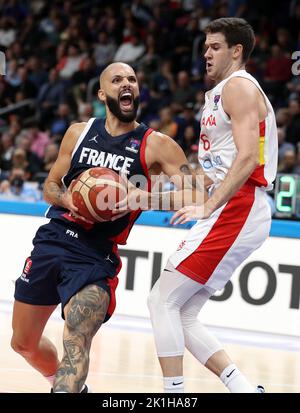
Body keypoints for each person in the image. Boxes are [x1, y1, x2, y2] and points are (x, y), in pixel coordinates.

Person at [10, 62, 208, 393]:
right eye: (117, 80)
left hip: (94, 256)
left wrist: (141, 198)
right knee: (23, 344)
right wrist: (68, 197)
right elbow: (50, 186)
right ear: (103, 93)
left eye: (132, 79)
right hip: (53, 240)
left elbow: (198, 194)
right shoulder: (79, 132)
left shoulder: (156, 144)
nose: (127, 83)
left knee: (76, 339)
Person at [147, 17, 278, 393]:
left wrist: (208, 207)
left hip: (238, 206)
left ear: (236, 51)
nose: (206, 53)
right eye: (205, 47)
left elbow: (248, 157)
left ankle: (173, 395)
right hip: (232, 205)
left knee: (161, 301)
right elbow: (211, 173)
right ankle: (245, 389)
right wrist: (147, 196)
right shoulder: (221, 92)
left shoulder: (238, 87)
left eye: (215, 47)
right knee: (182, 312)